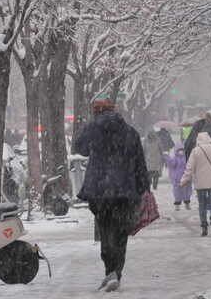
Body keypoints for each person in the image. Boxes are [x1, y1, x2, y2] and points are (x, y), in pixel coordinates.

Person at [75, 100, 150, 293]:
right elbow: (139, 161)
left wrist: (88, 129)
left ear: (96, 112)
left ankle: (110, 269)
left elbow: (80, 149)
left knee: (105, 228)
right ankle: (116, 271)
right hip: (125, 190)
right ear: (114, 111)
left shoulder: (93, 128)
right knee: (121, 233)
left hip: (99, 190)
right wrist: (143, 186)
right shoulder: (130, 132)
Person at [163, 143, 192, 211]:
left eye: (182, 150)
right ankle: (177, 205)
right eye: (179, 150)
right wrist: (167, 157)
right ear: (176, 151)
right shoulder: (175, 158)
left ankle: (187, 204)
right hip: (177, 178)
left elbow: (190, 165)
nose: (181, 151)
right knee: (177, 192)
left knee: (187, 192)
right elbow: (171, 164)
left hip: (185, 178)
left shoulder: (186, 158)